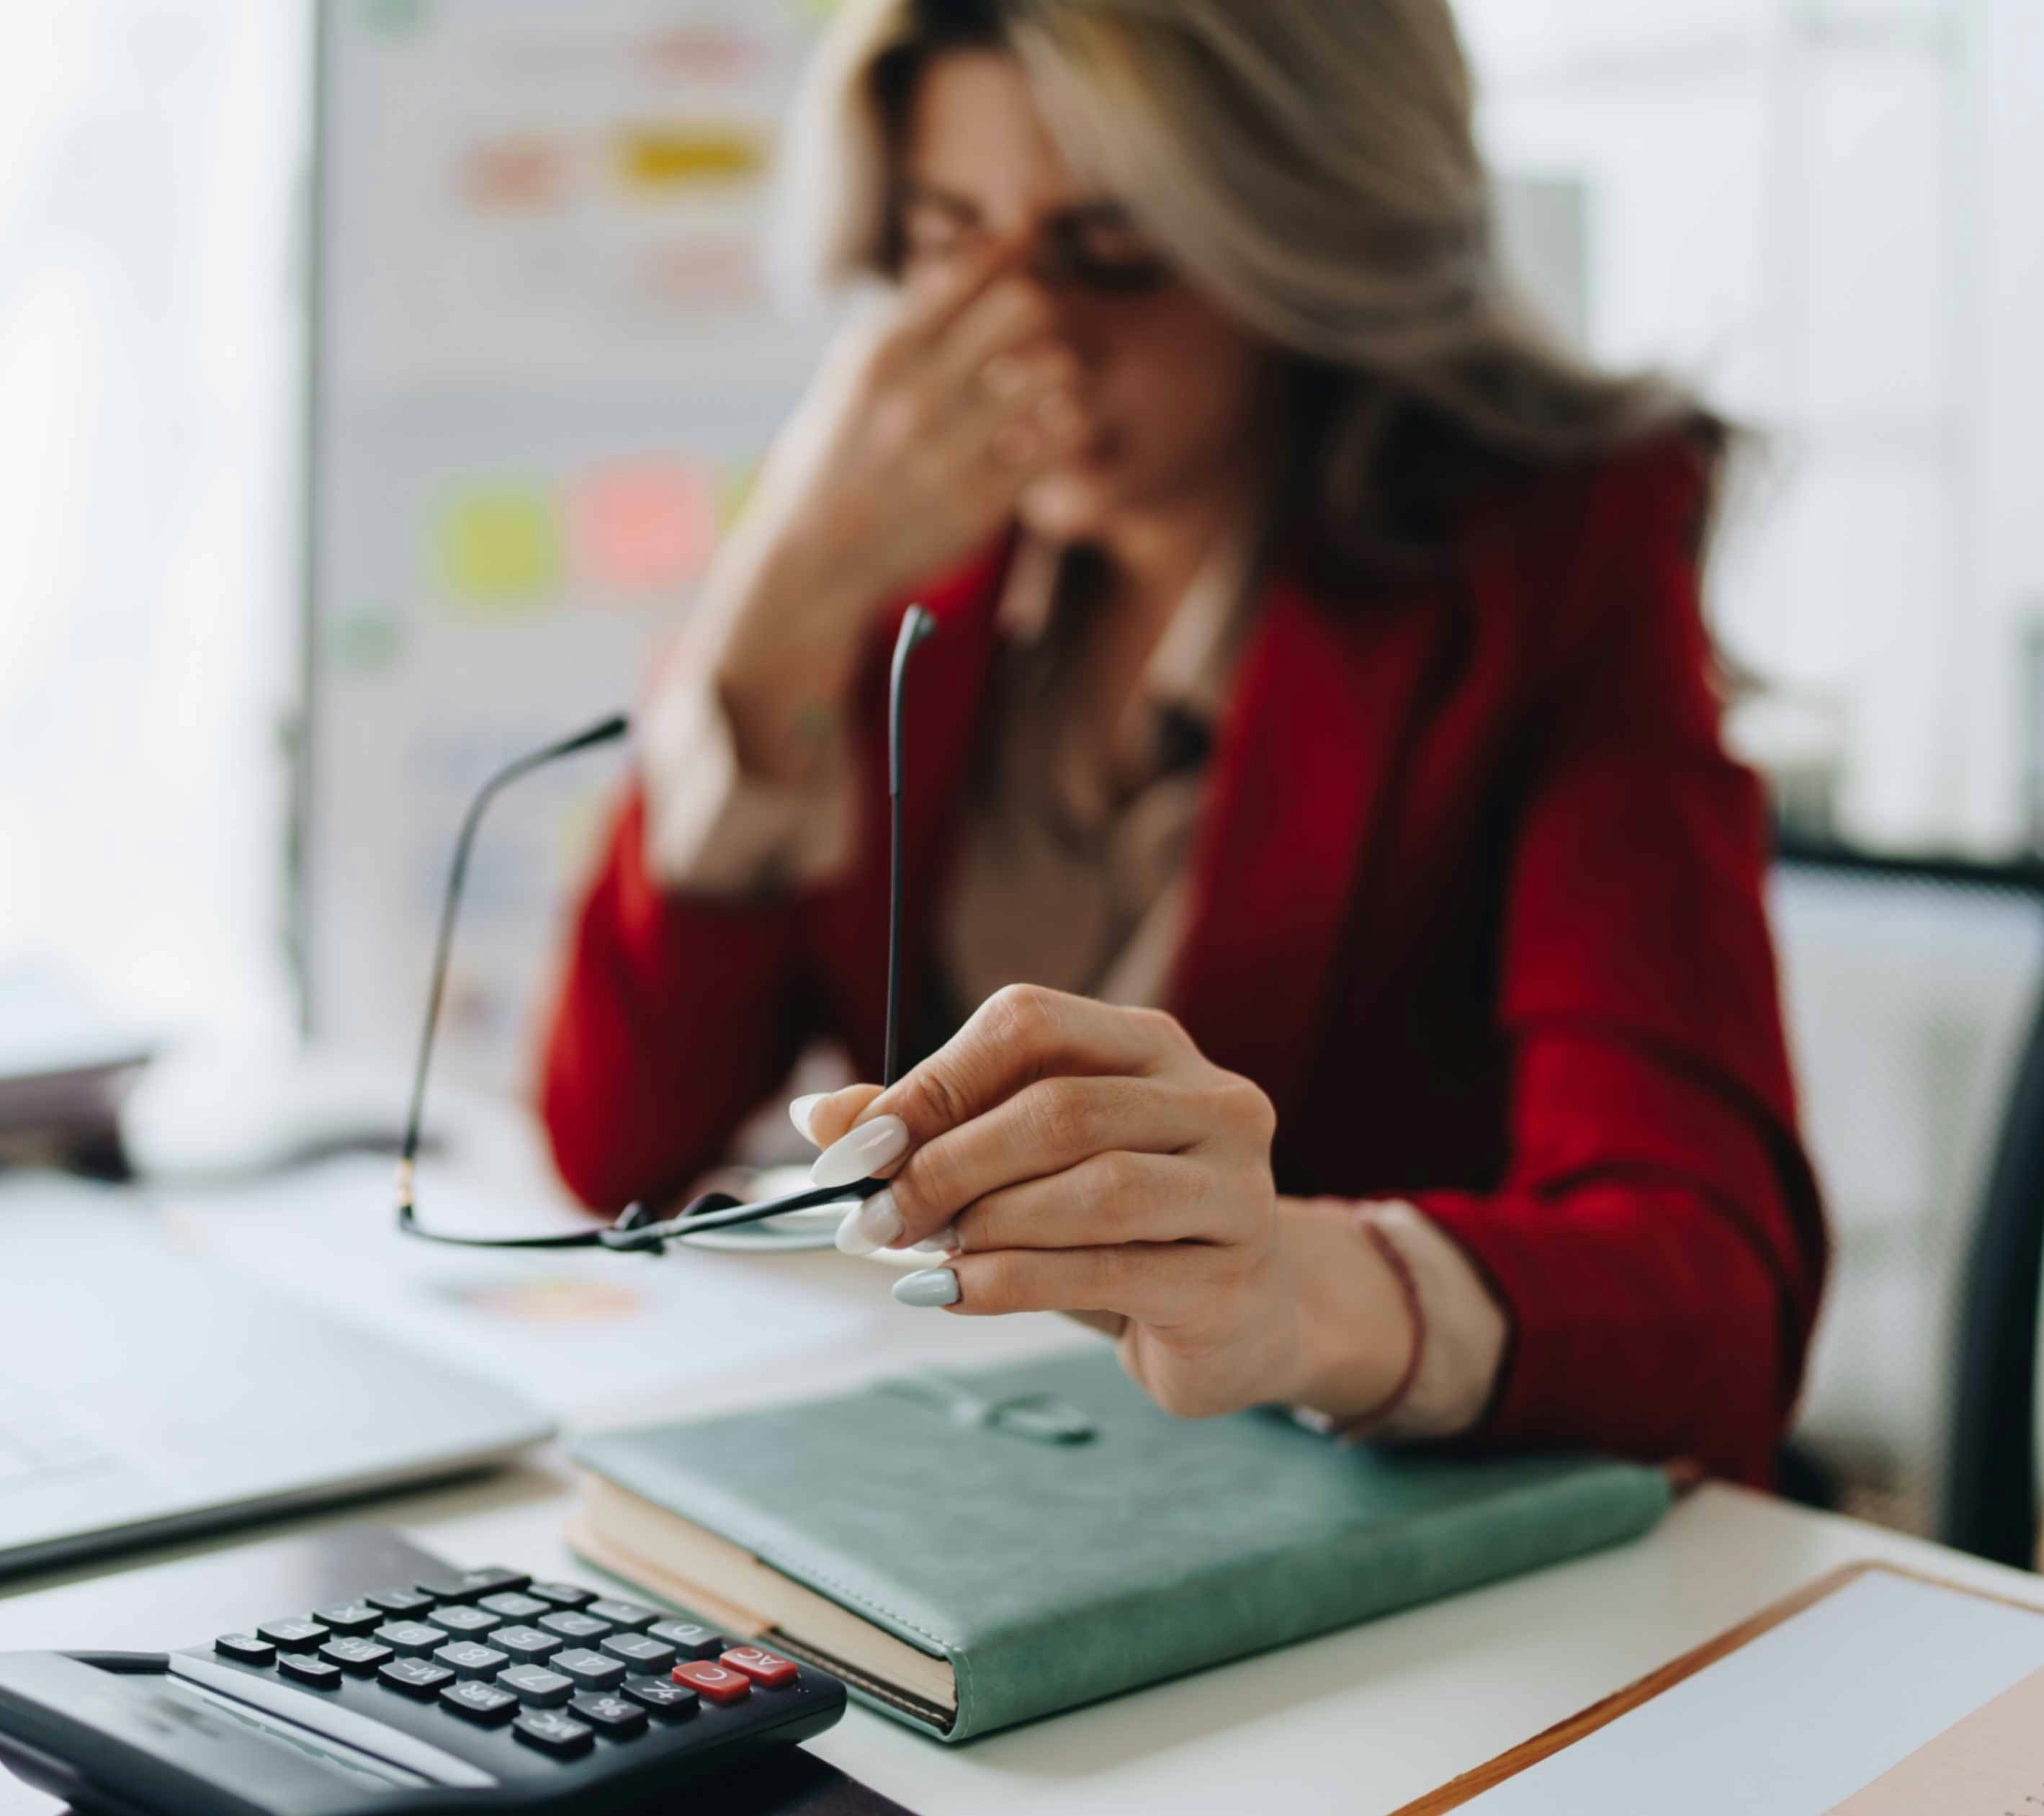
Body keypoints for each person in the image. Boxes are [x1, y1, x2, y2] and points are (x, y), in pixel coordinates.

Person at [537, 0, 1826, 1488]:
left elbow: (1715, 1291)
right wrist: (764, 628)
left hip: (1394, 1561)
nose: (1022, 337)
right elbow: (612, 1152)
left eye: (1113, 249)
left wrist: (1294, 1289)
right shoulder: (909, 558)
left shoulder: (1548, 564)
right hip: (990, 1492)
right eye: (949, 238)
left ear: (1302, 231)